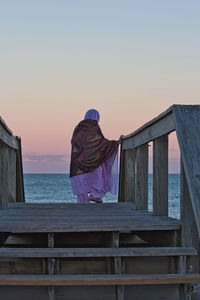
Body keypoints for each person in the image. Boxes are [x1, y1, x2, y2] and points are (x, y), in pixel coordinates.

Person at [70, 109, 122, 203]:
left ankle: (83, 203)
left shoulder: (78, 128)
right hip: (94, 162)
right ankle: (95, 195)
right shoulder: (94, 126)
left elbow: (74, 142)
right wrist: (115, 143)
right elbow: (100, 142)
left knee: (82, 182)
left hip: (78, 162)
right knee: (98, 177)